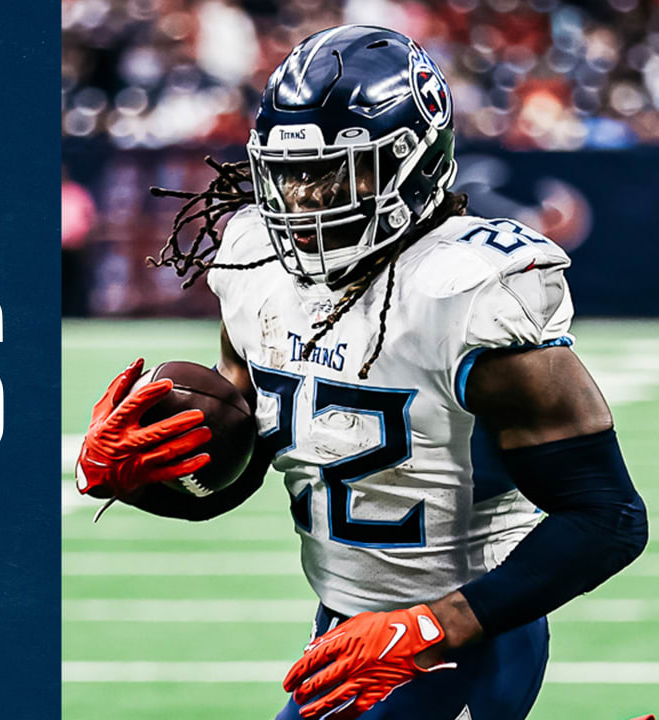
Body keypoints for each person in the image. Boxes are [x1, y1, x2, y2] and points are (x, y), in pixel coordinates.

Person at [74, 25, 648, 720]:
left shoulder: (468, 292)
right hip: (346, 628)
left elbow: (607, 517)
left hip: (464, 638)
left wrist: (433, 625)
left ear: (413, 163)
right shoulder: (255, 264)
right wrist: (143, 476)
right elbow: (245, 472)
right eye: (290, 173)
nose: (306, 198)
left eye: (334, 171)